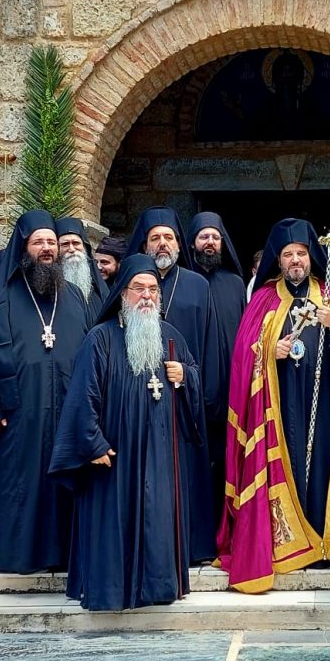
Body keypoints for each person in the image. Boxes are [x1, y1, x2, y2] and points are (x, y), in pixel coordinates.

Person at [218, 218, 330, 592]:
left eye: (300, 253)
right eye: (288, 254)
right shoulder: (264, 299)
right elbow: (244, 357)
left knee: (324, 468)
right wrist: (270, 352)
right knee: (287, 465)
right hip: (279, 407)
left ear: (310, 257)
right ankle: (285, 545)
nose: (295, 260)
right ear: (278, 260)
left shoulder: (329, 296)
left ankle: (326, 541)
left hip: (326, 403)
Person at [50, 255, 206, 610]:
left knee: (157, 518)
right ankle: (114, 591)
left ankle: (158, 588)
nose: (147, 296)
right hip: (116, 454)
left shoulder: (171, 337)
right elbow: (83, 395)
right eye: (139, 289)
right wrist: (92, 443)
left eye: (153, 289)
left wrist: (185, 376)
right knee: (114, 522)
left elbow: (195, 380)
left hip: (161, 453)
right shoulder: (100, 338)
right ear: (123, 293)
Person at [0, 210, 91, 573]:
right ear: (24, 248)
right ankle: (16, 556)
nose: (47, 248)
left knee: (63, 482)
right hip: (18, 416)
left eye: (51, 242)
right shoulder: (4, 299)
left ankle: (63, 556)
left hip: (66, 411)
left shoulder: (75, 297)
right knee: (17, 484)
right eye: (39, 242)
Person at [127, 206, 220, 562]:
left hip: (185, 404)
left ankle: (190, 547)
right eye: (155, 238)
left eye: (168, 237)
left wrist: (201, 392)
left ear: (180, 244)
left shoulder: (197, 285)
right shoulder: (131, 285)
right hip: (139, 401)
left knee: (186, 475)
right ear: (144, 245)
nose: (162, 243)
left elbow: (210, 347)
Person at [187, 211, 246, 524]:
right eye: (203, 237)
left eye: (215, 237)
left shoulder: (235, 284)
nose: (209, 242)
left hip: (229, 393)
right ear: (192, 243)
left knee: (228, 466)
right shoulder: (182, 281)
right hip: (191, 395)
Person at [56, 217, 109, 316]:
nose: (72, 249)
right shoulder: (53, 289)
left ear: (84, 246)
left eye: (76, 243)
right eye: (65, 244)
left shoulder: (98, 290)